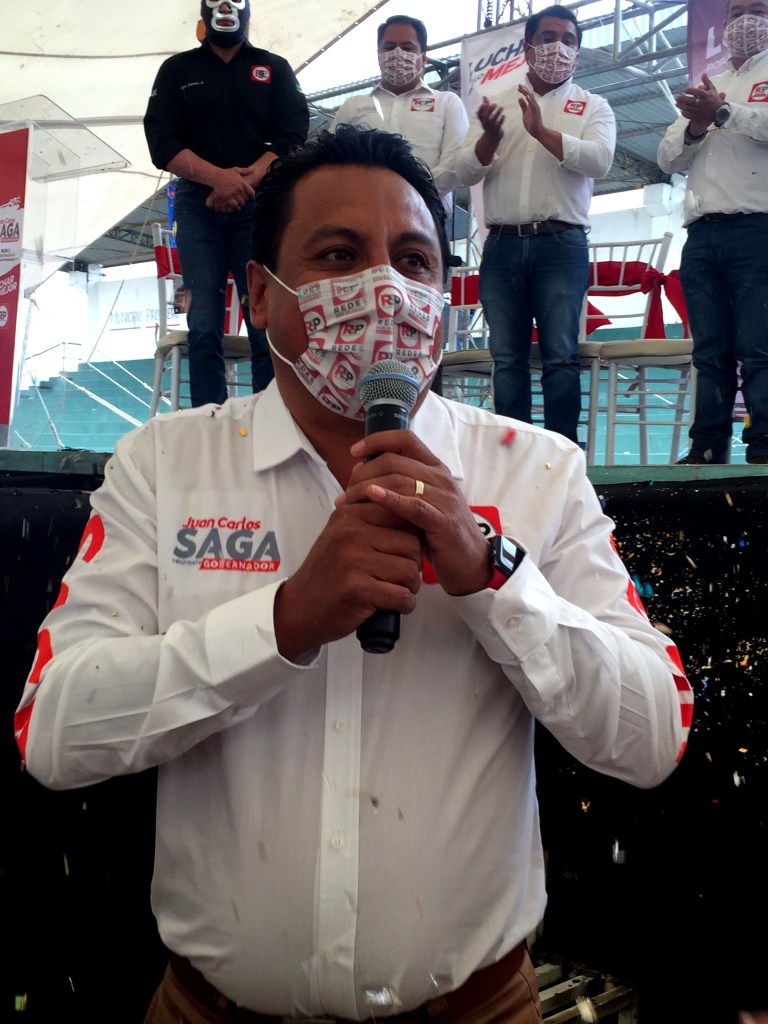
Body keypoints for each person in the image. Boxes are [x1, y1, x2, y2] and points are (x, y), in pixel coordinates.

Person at [14, 125, 692, 1024]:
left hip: (479, 1009)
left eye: (413, 261)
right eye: (339, 255)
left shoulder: (537, 471)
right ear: (260, 292)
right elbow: (54, 732)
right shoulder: (166, 466)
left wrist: (494, 577)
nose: (386, 291)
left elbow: (651, 738)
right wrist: (284, 622)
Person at [454, 5, 616, 443]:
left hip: (561, 244)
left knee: (560, 355)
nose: (558, 48)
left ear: (578, 51)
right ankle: (516, 454)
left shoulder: (594, 106)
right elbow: (464, 171)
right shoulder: (496, 104)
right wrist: (488, 142)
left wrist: (542, 132)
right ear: (527, 47)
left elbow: (600, 161)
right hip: (503, 244)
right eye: (547, 38)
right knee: (507, 358)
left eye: (568, 40)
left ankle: (562, 452)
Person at [144, 0, 308, 407]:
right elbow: (161, 141)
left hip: (259, 204)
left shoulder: (273, 67)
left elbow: (294, 133)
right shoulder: (177, 69)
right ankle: (208, 420)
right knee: (203, 322)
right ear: (204, 12)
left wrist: (245, 180)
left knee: (263, 318)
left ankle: (271, 416)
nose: (225, 9)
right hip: (197, 203)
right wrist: (217, 178)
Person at [658, 0, 768, 466]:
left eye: (758, 9)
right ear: (723, 25)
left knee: (760, 347)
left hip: (758, 228)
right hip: (702, 233)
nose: (746, 21)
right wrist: (698, 124)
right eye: (736, 12)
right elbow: (668, 158)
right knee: (709, 351)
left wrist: (723, 112)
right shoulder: (709, 83)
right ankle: (706, 447)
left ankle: (764, 449)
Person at [330, 15, 469, 217]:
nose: (397, 54)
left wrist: (406, 196)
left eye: (407, 47)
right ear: (379, 55)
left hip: (426, 218)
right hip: (362, 215)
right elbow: (331, 161)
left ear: (423, 58)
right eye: (389, 47)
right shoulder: (353, 106)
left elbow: (455, 164)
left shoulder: (447, 102)